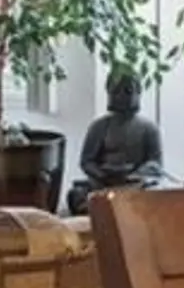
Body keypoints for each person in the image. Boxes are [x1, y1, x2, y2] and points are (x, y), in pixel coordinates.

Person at [68, 66, 165, 213]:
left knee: (156, 194)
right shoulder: (99, 126)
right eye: (116, 91)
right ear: (109, 93)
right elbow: (87, 161)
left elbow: (156, 163)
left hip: (135, 184)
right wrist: (103, 174)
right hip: (104, 183)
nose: (121, 96)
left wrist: (134, 174)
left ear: (138, 92)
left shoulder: (149, 128)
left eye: (128, 91)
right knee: (76, 195)